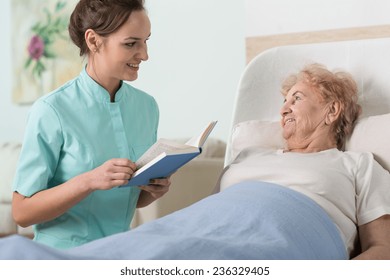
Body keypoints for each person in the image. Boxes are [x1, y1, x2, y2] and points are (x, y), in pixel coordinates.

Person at [11, 0, 171, 249]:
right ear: (94, 41)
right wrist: (87, 181)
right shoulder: (52, 110)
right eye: (131, 43)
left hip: (120, 250)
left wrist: (152, 190)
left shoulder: (146, 107)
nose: (144, 55)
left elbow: (130, 199)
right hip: (63, 257)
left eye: (145, 40)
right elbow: (22, 212)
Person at [218, 63, 390, 259]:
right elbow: (207, 212)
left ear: (332, 110)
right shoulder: (247, 155)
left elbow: (383, 249)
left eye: (296, 98)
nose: (283, 110)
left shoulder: (358, 165)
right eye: (284, 101)